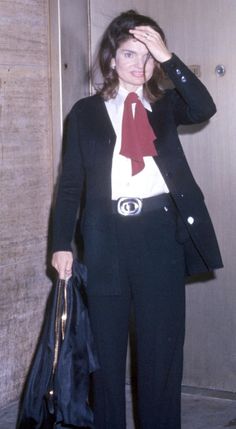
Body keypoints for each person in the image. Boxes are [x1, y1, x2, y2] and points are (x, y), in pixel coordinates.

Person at [51, 10, 223, 429]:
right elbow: (70, 184)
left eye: (147, 57)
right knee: (105, 359)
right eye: (129, 54)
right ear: (112, 58)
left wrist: (169, 57)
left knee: (161, 356)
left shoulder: (164, 107)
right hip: (105, 238)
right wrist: (60, 243)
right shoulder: (85, 113)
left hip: (160, 236)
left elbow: (205, 105)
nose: (138, 65)